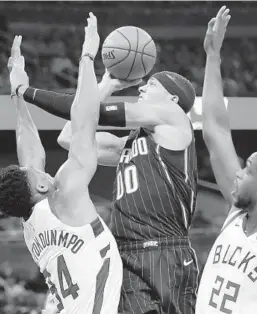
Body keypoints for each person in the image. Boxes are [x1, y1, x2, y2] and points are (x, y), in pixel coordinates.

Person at [12, 37, 199, 314]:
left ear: (172, 98)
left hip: (165, 251)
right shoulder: (130, 143)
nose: (143, 86)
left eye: (153, 84)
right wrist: (107, 85)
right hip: (126, 254)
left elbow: (87, 112)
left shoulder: (174, 118)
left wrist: (23, 90)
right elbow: (71, 136)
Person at [0, 13, 122, 314]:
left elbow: (28, 149)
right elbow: (83, 123)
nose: (39, 166)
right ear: (41, 184)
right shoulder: (65, 195)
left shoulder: (31, 218)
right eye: (36, 172)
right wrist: (87, 56)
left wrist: (18, 95)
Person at [196, 6, 257, 314]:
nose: (237, 175)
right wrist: (212, 56)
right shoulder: (238, 213)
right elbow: (215, 131)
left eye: (247, 170)